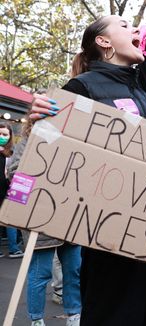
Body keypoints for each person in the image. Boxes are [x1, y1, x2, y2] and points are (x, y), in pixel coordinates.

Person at [29, 1, 146, 325]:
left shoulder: (142, 85)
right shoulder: (80, 89)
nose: (137, 31)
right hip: (110, 241)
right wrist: (41, 121)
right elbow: (55, 155)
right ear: (104, 41)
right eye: (125, 26)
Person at [7, 119, 82, 326]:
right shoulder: (27, 142)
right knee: (40, 274)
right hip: (40, 219)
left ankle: (74, 314)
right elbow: (15, 172)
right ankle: (36, 318)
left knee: (73, 270)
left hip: (68, 218)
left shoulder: (73, 140)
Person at [0, 122, 23, 259]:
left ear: (10, 136)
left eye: (5, 134)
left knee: (10, 220)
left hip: (9, 189)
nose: (2, 136)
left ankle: (14, 248)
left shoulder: (12, 153)